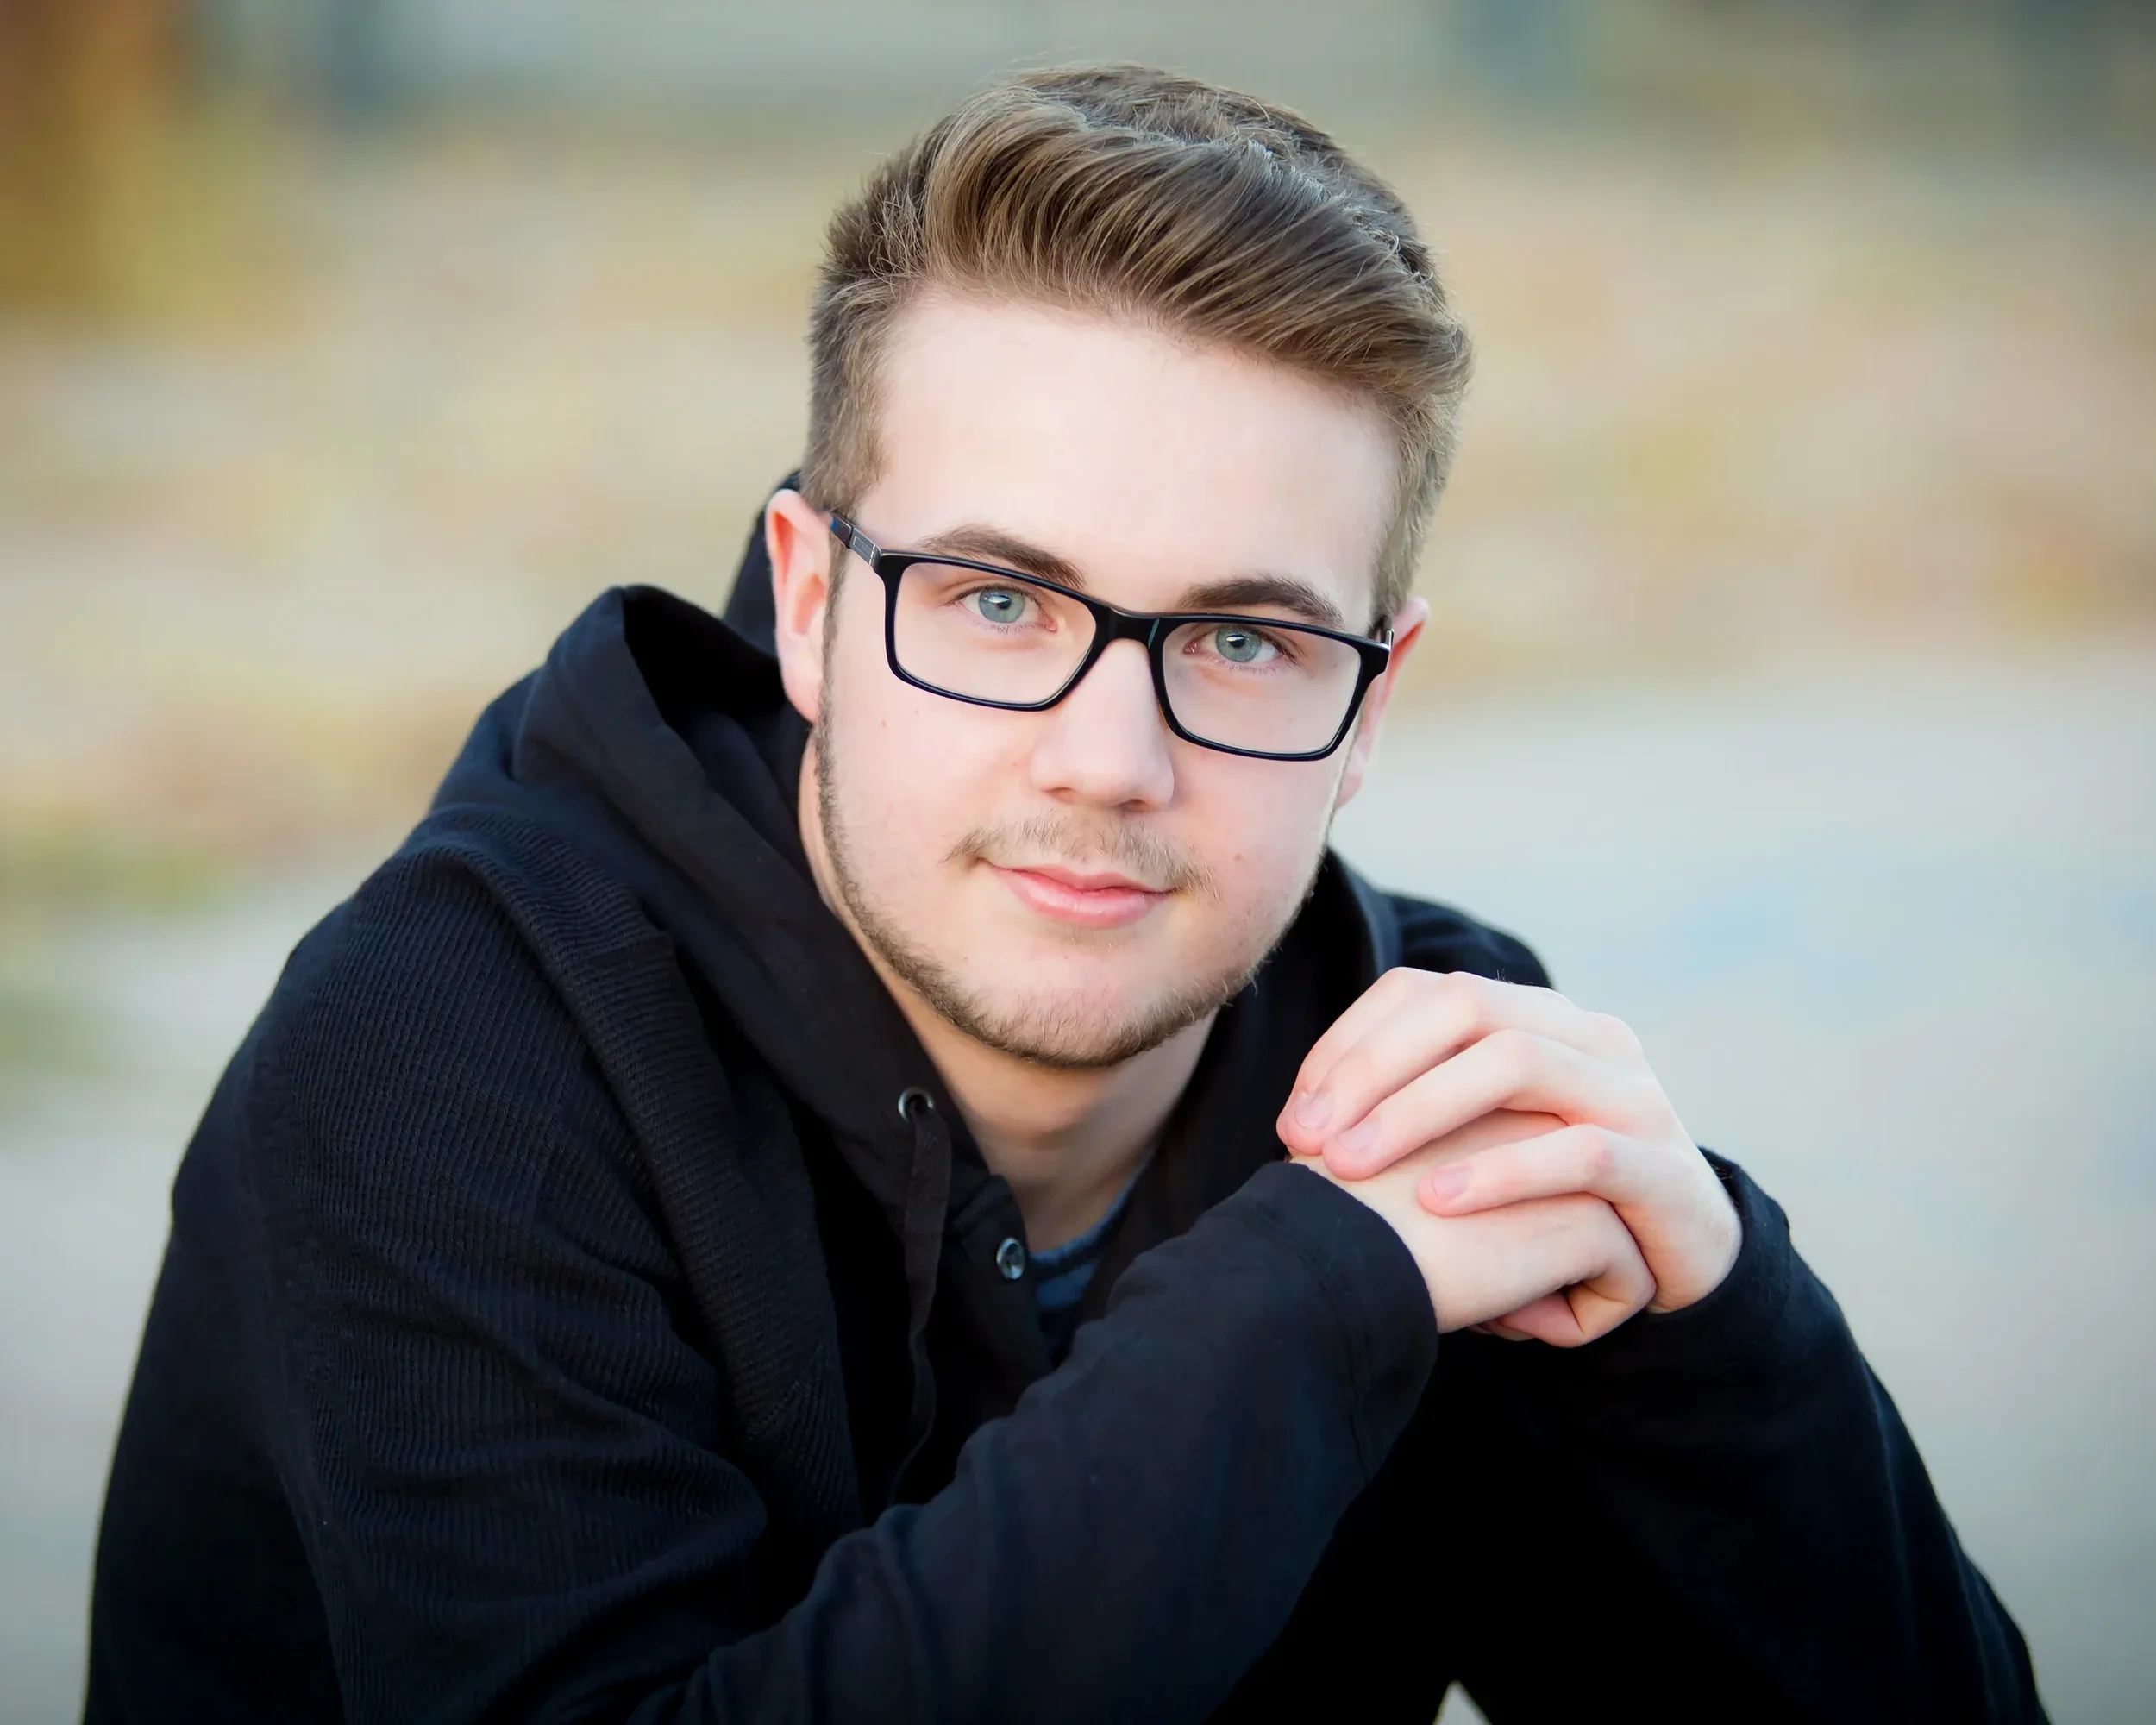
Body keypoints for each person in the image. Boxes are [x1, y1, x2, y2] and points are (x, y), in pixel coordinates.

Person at [85, 66, 2044, 1724]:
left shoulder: (1420, 1090)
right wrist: (1302, 1305)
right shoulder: (449, 1055)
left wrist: (1708, 1322)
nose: (1109, 757)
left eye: (1247, 639)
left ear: (1374, 699)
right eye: (1001, 602)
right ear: (813, 599)